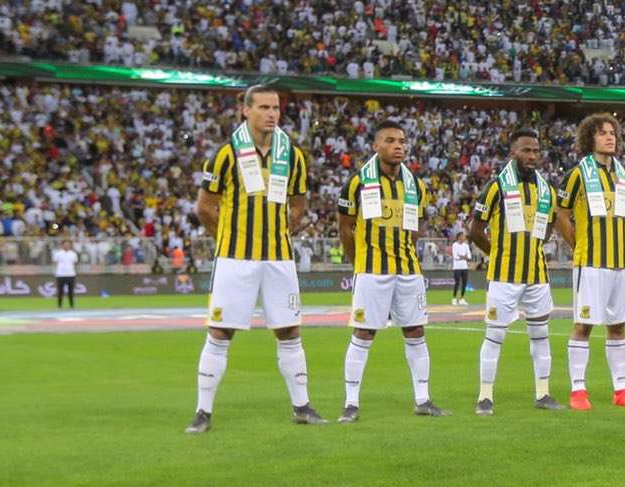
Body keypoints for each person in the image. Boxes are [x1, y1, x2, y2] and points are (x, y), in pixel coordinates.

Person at [186, 86, 316, 434]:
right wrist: (230, 237)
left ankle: (302, 406)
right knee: (221, 331)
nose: (272, 113)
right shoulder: (225, 155)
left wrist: (281, 232)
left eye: (275, 107)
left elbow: (299, 204)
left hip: (279, 258)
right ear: (246, 111)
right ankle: (203, 412)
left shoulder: (293, 156)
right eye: (263, 107)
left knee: (289, 330)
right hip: (235, 258)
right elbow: (204, 207)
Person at [336, 119, 441, 422]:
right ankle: (351, 403)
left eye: (402, 141)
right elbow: (345, 227)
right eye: (391, 140)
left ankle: (423, 399)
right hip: (371, 270)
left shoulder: (416, 186)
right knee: (364, 333)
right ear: (376, 145)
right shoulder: (357, 182)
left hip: (409, 270)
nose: (399, 146)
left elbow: (418, 226)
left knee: (416, 331)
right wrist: (359, 262)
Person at [553, 113, 625, 411]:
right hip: (590, 263)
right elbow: (561, 212)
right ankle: (578, 391)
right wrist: (577, 243)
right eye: (603, 133)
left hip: (619, 264)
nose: (610, 137)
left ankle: (621, 390)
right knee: (584, 325)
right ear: (590, 138)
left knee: (618, 327)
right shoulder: (578, 173)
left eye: (613, 133)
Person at [469, 127, 560, 415]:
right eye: (526, 150)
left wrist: (534, 248)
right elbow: (475, 230)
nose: (532, 155)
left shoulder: (546, 189)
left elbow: (549, 225)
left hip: (537, 275)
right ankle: (485, 396)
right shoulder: (497, 186)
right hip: (504, 276)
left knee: (541, 335)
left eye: (535, 150)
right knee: (495, 336)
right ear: (513, 152)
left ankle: (543, 393)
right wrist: (497, 254)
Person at [51, 238, 78, 309]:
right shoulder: (57, 253)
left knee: (70, 291)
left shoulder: (73, 254)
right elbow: (54, 263)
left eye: (68, 244)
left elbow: (75, 263)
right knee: (60, 291)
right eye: (65, 244)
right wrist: (56, 271)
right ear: (62, 245)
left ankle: (72, 306)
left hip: (71, 274)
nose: (67, 246)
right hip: (60, 274)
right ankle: (59, 306)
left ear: (70, 245)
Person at [449, 231, 472, 306]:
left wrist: (462, 256)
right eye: (463, 236)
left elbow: (469, 256)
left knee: (464, 283)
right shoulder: (455, 245)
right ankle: (454, 298)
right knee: (457, 283)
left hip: (464, 267)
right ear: (459, 237)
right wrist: (464, 257)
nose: (464, 237)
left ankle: (462, 298)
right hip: (457, 267)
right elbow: (455, 256)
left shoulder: (466, 246)